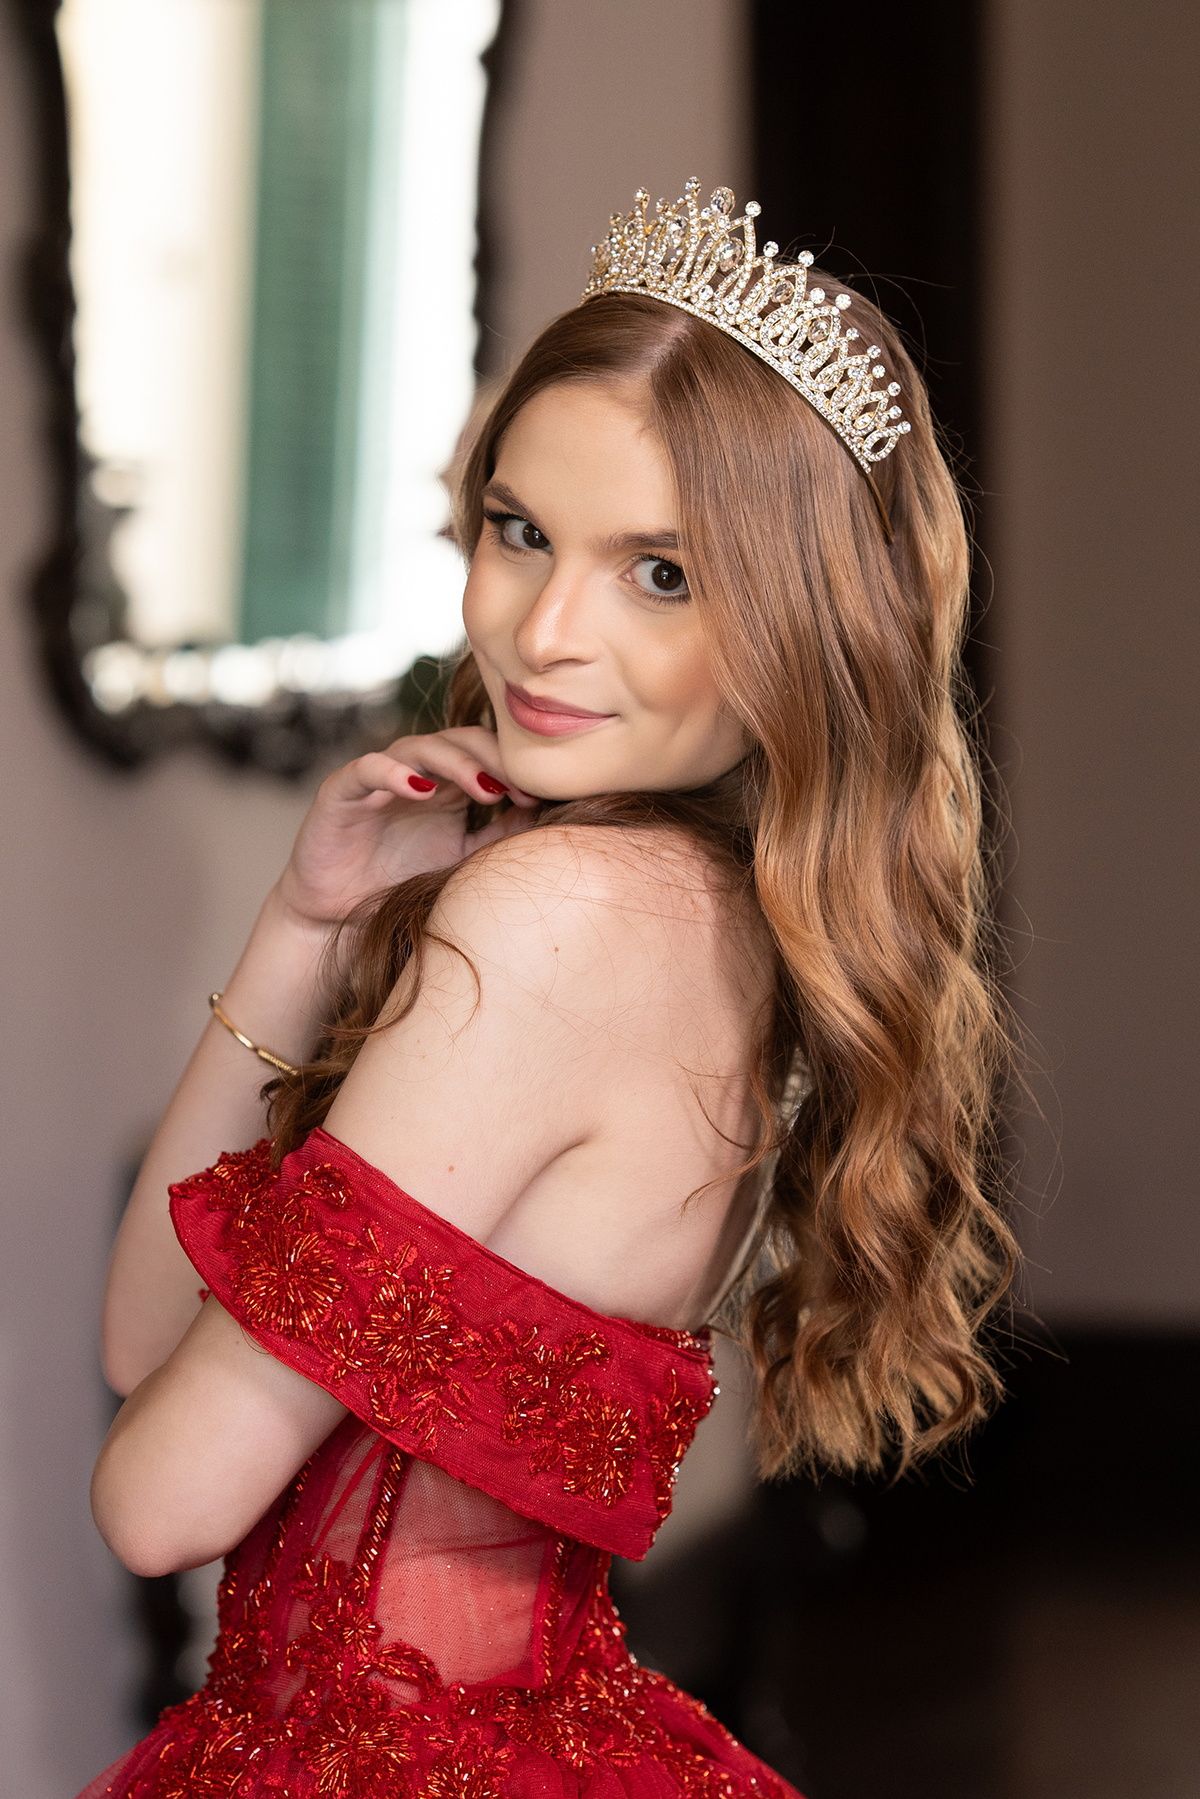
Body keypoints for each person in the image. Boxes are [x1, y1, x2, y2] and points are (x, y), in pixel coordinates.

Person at [79, 180, 1014, 1799]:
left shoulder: (556, 915)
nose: (545, 633)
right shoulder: (722, 911)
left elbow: (157, 1501)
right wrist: (308, 921)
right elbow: (138, 1339)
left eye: (662, 573)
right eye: (521, 533)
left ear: (799, 622)